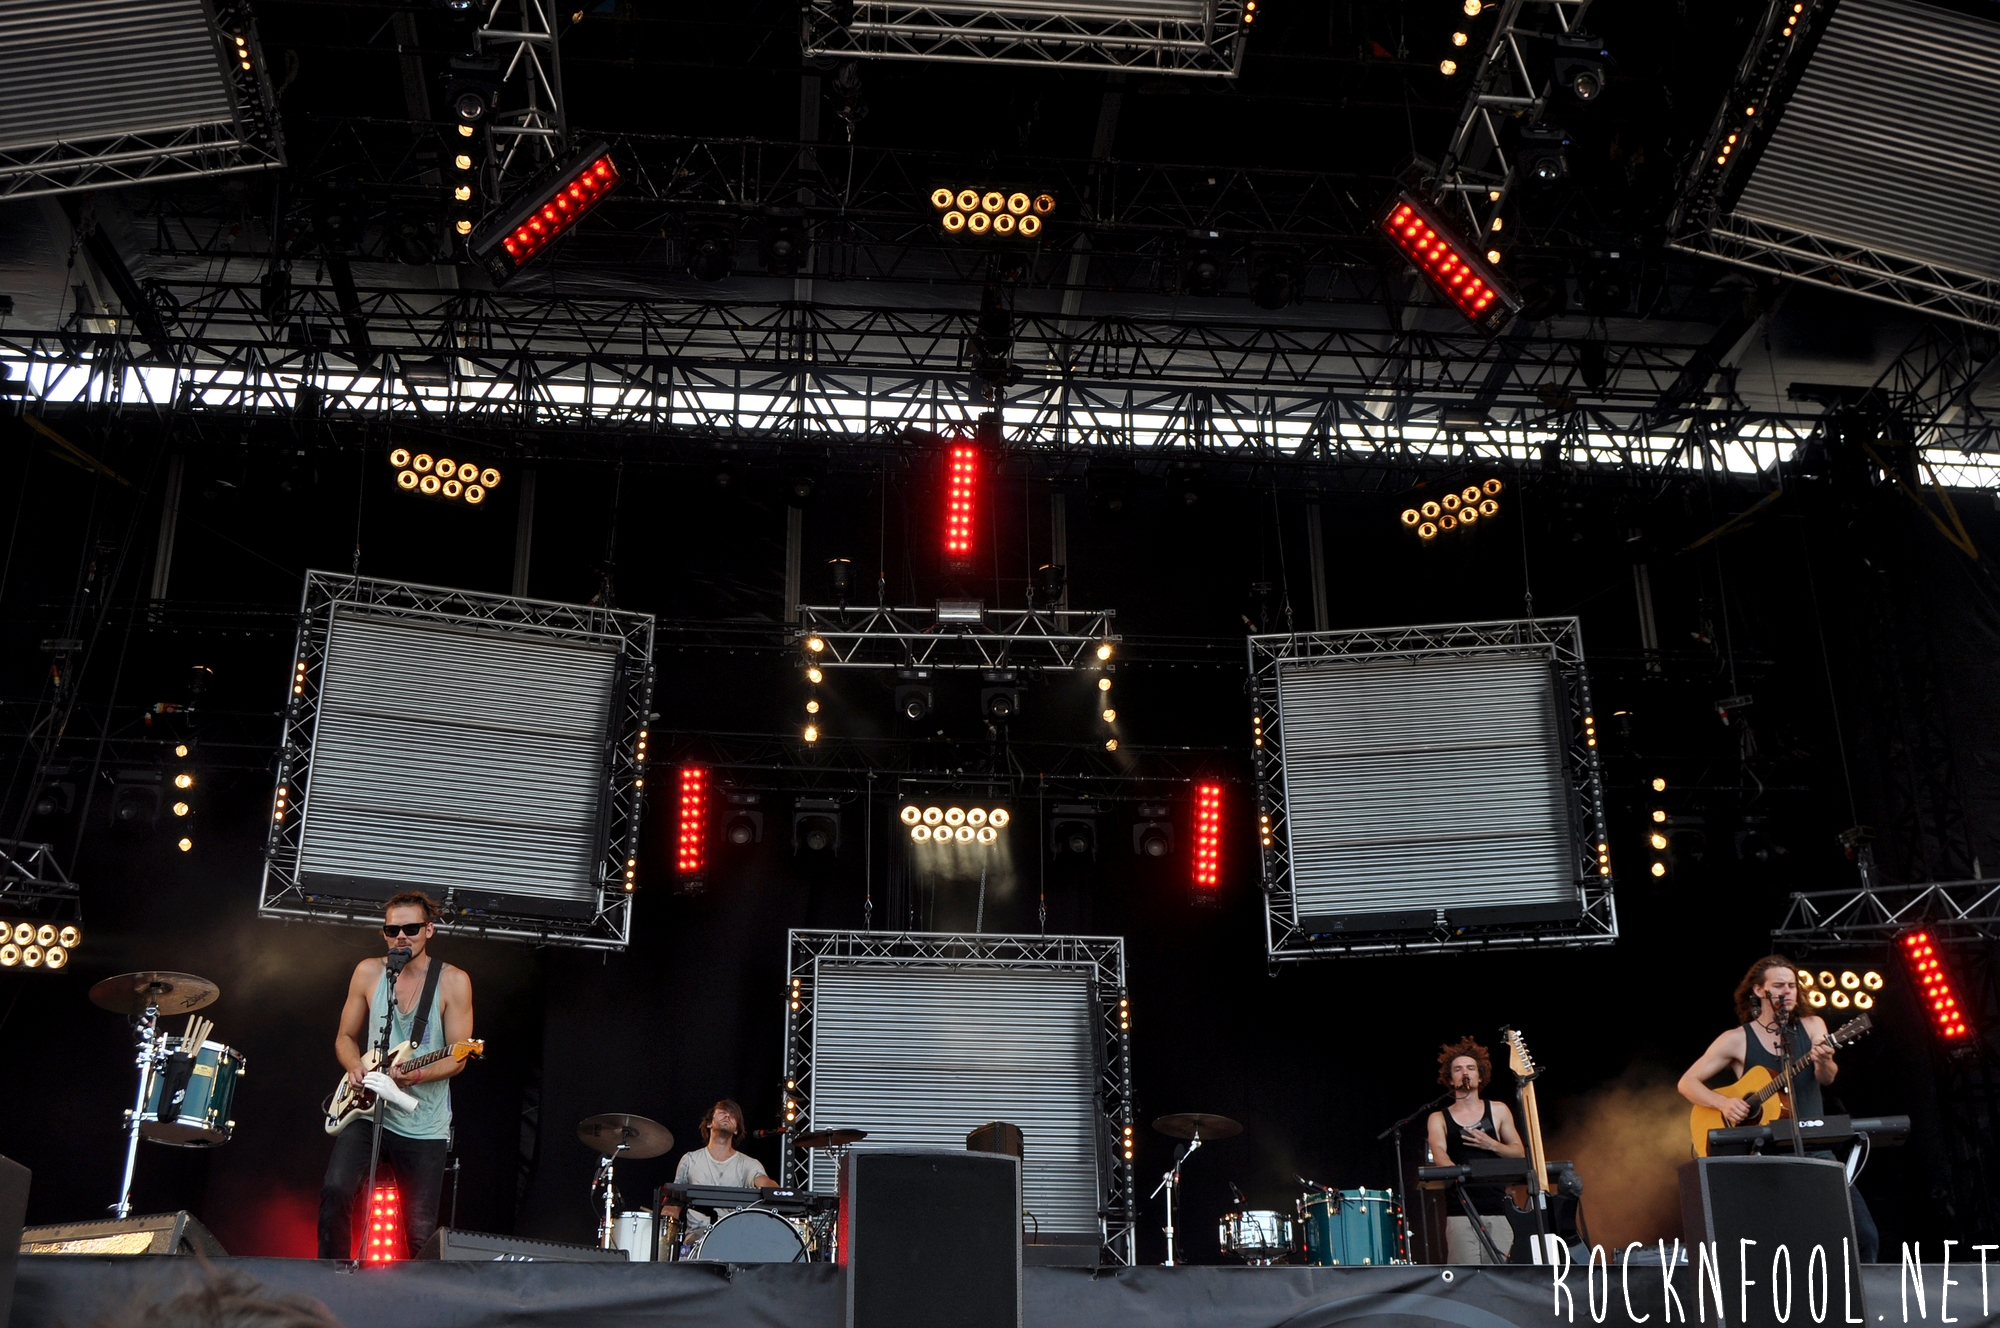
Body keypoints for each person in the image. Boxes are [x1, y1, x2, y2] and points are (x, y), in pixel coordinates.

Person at [1676, 954, 1879, 1262]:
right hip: (1764, 1157)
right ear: (1759, 990)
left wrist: (1824, 1059)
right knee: (1780, 1245)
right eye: (1780, 985)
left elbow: (1827, 1077)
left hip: (1816, 1149)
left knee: (1862, 1235)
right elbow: (1687, 1083)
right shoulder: (1736, 1040)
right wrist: (1724, 1103)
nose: (1788, 991)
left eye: (1792, 986)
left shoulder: (1813, 1025)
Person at [317, 891, 474, 1260]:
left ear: (429, 930)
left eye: (411, 929)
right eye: (392, 930)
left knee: (418, 1234)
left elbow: (459, 1057)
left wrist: (413, 1077)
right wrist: (354, 1067)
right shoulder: (368, 972)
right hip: (367, 1110)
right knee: (336, 1190)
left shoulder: (453, 981)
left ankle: (412, 1294)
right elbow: (344, 1037)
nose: (401, 937)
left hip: (423, 1122)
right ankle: (329, 1279)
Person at [1425, 1035, 1526, 1264]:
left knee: (1501, 1274)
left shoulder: (1498, 1110)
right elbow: (1439, 1152)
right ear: (1450, 1080)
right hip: (1461, 1211)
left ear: (1480, 1076)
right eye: (1458, 1069)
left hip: (1499, 1208)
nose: (1465, 1072)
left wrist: (1491, 1144)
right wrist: (1454, 1173)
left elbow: (1519, 1152)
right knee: (1466, 1277)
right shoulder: (1438, 1117)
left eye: (1470, 1068)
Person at [663, 1099, 779, 1246]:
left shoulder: (748, 1164)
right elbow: (674, 1204)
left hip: (734, 1239)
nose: (727, 1116)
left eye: (733, 1115)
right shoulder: (690, 1160)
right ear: (709, 1123)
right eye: (722, 1112)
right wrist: (665, 1218)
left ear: (736, 1129)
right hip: (696, 1241)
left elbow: (765, 1182)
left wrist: (774, 1190)